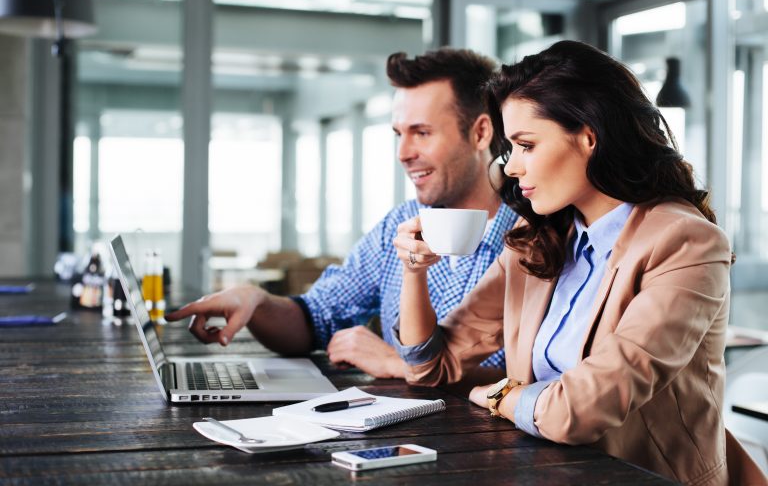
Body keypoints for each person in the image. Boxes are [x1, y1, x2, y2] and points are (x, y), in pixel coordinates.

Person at [393, 40, 766, 485]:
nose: (510, 168)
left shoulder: (686, 242)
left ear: (589, 136)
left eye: (526, 145)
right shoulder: (538, 243)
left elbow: (580, 410)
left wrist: (499, 394)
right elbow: (429, 367)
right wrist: (414, 272)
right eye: (510, 148)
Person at [166, 48, 518, 380]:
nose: (403, 153)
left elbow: (547, 385)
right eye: (398, 134)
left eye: (421, 133)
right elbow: (316, 318)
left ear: (481, 132)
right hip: (399, 437)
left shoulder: (538, 234)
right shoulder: (396, 227)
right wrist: (255, 300)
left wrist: (398, 364)